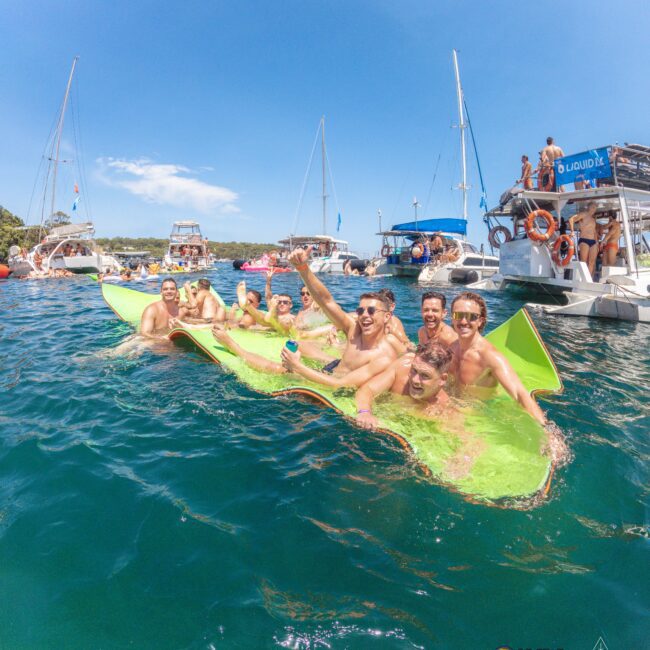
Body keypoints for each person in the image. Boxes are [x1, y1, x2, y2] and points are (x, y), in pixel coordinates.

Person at [447, 292, 547, 426]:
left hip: (477, 419)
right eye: (458, 315)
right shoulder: (451, 348)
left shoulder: (490, 357)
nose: (464, 321)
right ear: (452, 318)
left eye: (471, 317)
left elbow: (519, 393)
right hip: (451, 409)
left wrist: (547, 431)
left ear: (480, 321)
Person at [355, 342, 453, 429]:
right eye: (414, 370)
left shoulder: (443, 410)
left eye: (425, 376)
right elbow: (367, 389)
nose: (415, 380)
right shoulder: (401, 369)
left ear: (442, 379)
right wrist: (364, 412)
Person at [568, 202, 599, 277]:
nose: (594, 209)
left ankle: (588, 279)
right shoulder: (584, 214)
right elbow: (571, 219)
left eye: (595, 207)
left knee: (592, 262)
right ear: (588, 207)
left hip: (593, 241)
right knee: (583, 262)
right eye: (593, 207)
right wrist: (572, 231)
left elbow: (594, 231)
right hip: (584, 240)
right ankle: (582, 278)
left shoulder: (593, 219)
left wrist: (597, 242)